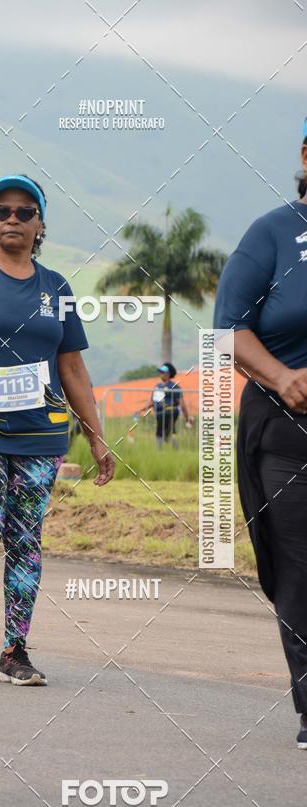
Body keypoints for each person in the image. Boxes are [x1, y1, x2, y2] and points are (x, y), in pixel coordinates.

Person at [0, 174, 115, 685]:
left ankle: (14, 650)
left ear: (40, 224)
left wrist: (96, 435)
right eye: (1, 210)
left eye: (24, 212)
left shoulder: (56, 287)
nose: (12, 219)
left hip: (41, 434)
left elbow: (73, 368)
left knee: (26, 539)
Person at [214, 120, 307, 750]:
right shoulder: (273, 234)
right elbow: (228, 329)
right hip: (289, 432)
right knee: (300, 571)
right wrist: (283, 376)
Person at [137, 362, 192, 446]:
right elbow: (152, 402)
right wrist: (140, 410)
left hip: (170, 412)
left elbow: (182, 404)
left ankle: (159, 452)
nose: (161, 374)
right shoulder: (157, 386)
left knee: (160, 432)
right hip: (159, 413)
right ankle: (175, 449)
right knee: (167, 435)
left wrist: (187, 417)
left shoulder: (174, 386)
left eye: (163, 372)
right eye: (160, 372)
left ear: (168, 374)